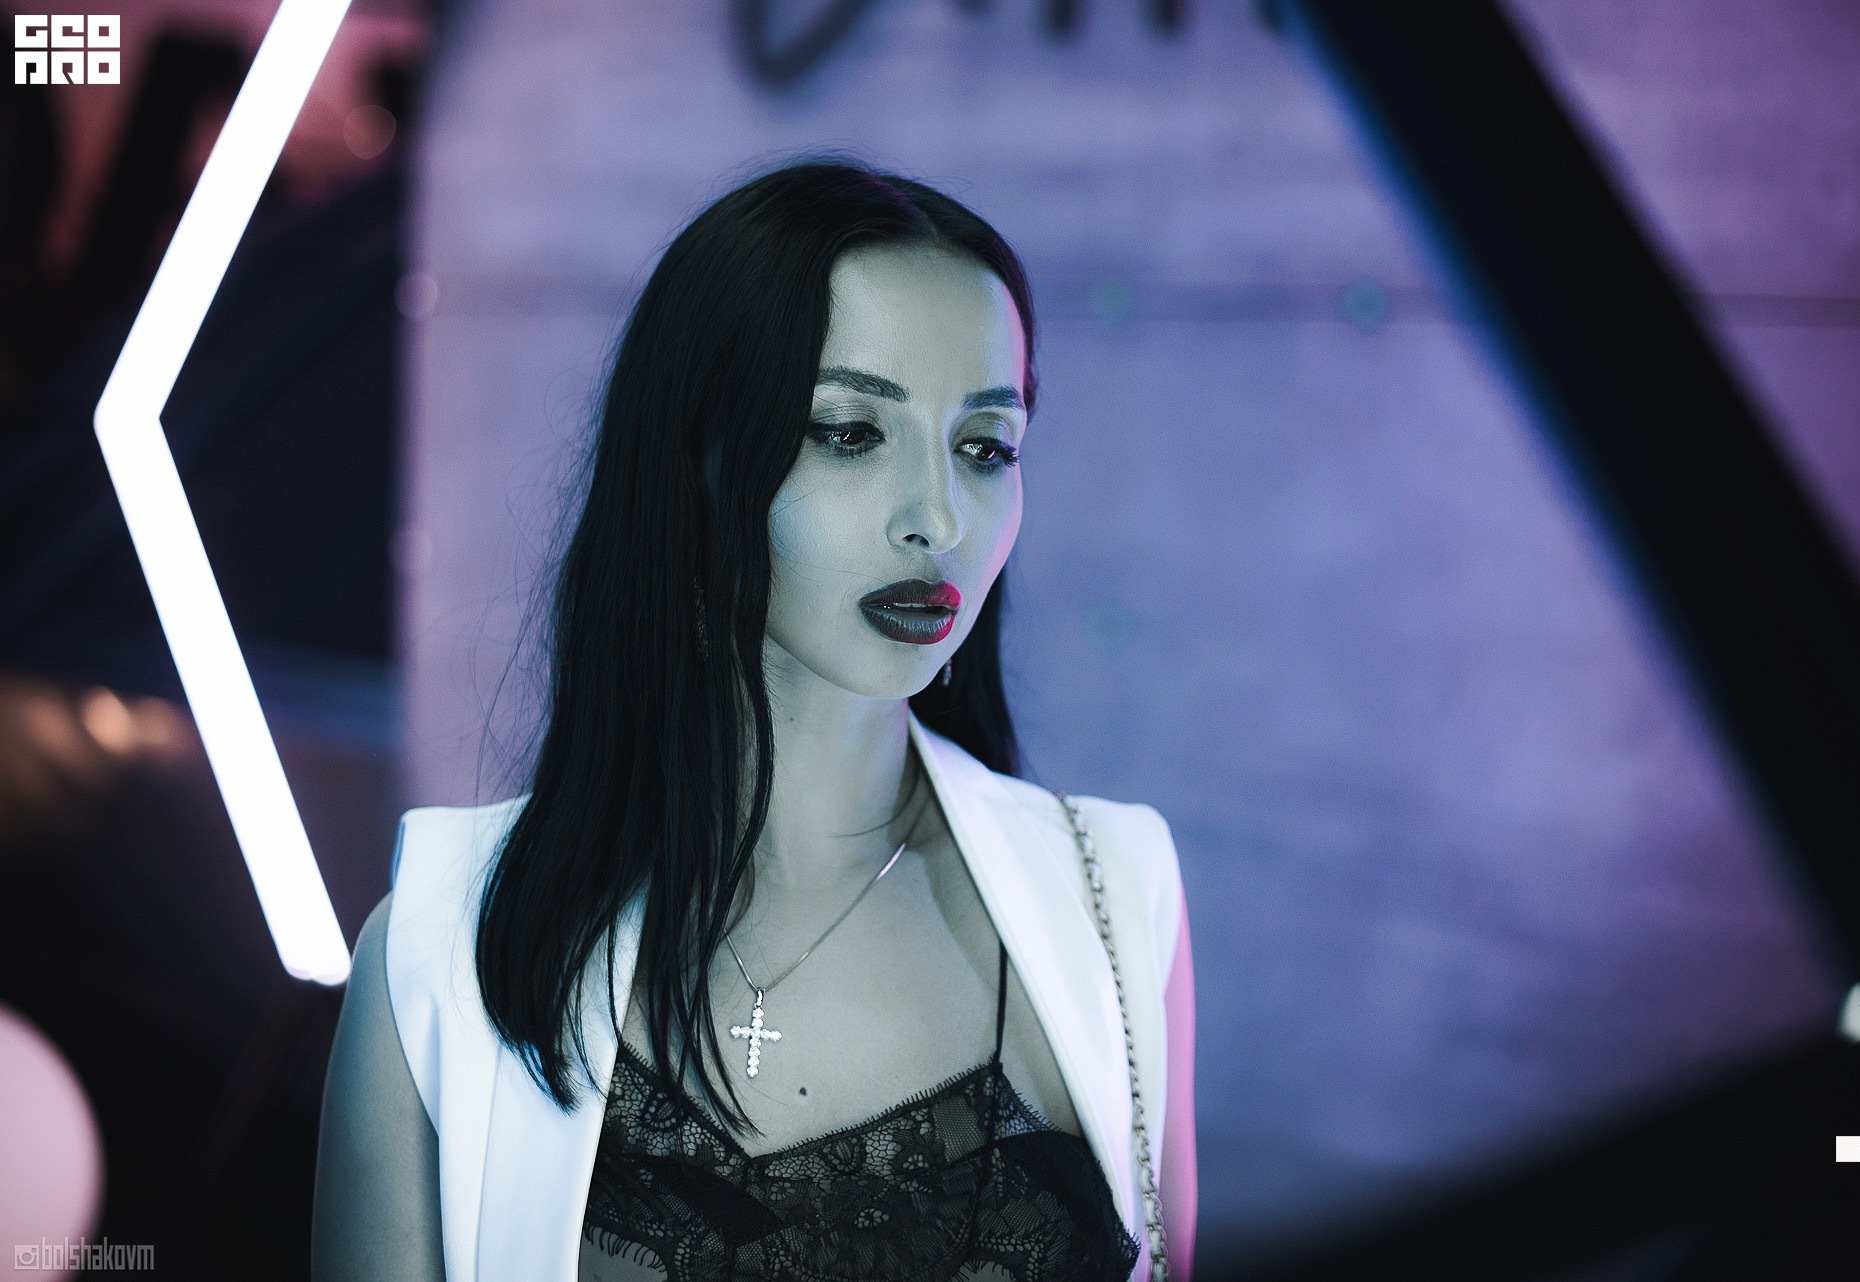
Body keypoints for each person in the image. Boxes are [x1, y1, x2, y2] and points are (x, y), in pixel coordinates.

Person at [312, 159, 1197, 1282]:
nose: (938, 518)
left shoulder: (1118, 894)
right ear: (696, 459)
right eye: (848, 431)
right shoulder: (443, 948)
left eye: (985, 447)